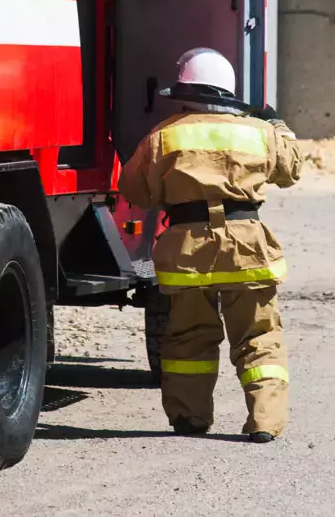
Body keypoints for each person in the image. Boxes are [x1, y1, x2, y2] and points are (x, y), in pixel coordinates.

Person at [119, 47, 303, 443]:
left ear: (184, 91)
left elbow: (133, 189)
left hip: (187, 248)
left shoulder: (163, 135)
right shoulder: (259, 132)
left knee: (188, 336)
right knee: (258, 335)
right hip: (246, 243)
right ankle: (265, 423)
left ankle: (189, 417)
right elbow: (292, 170)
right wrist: (280, 127)